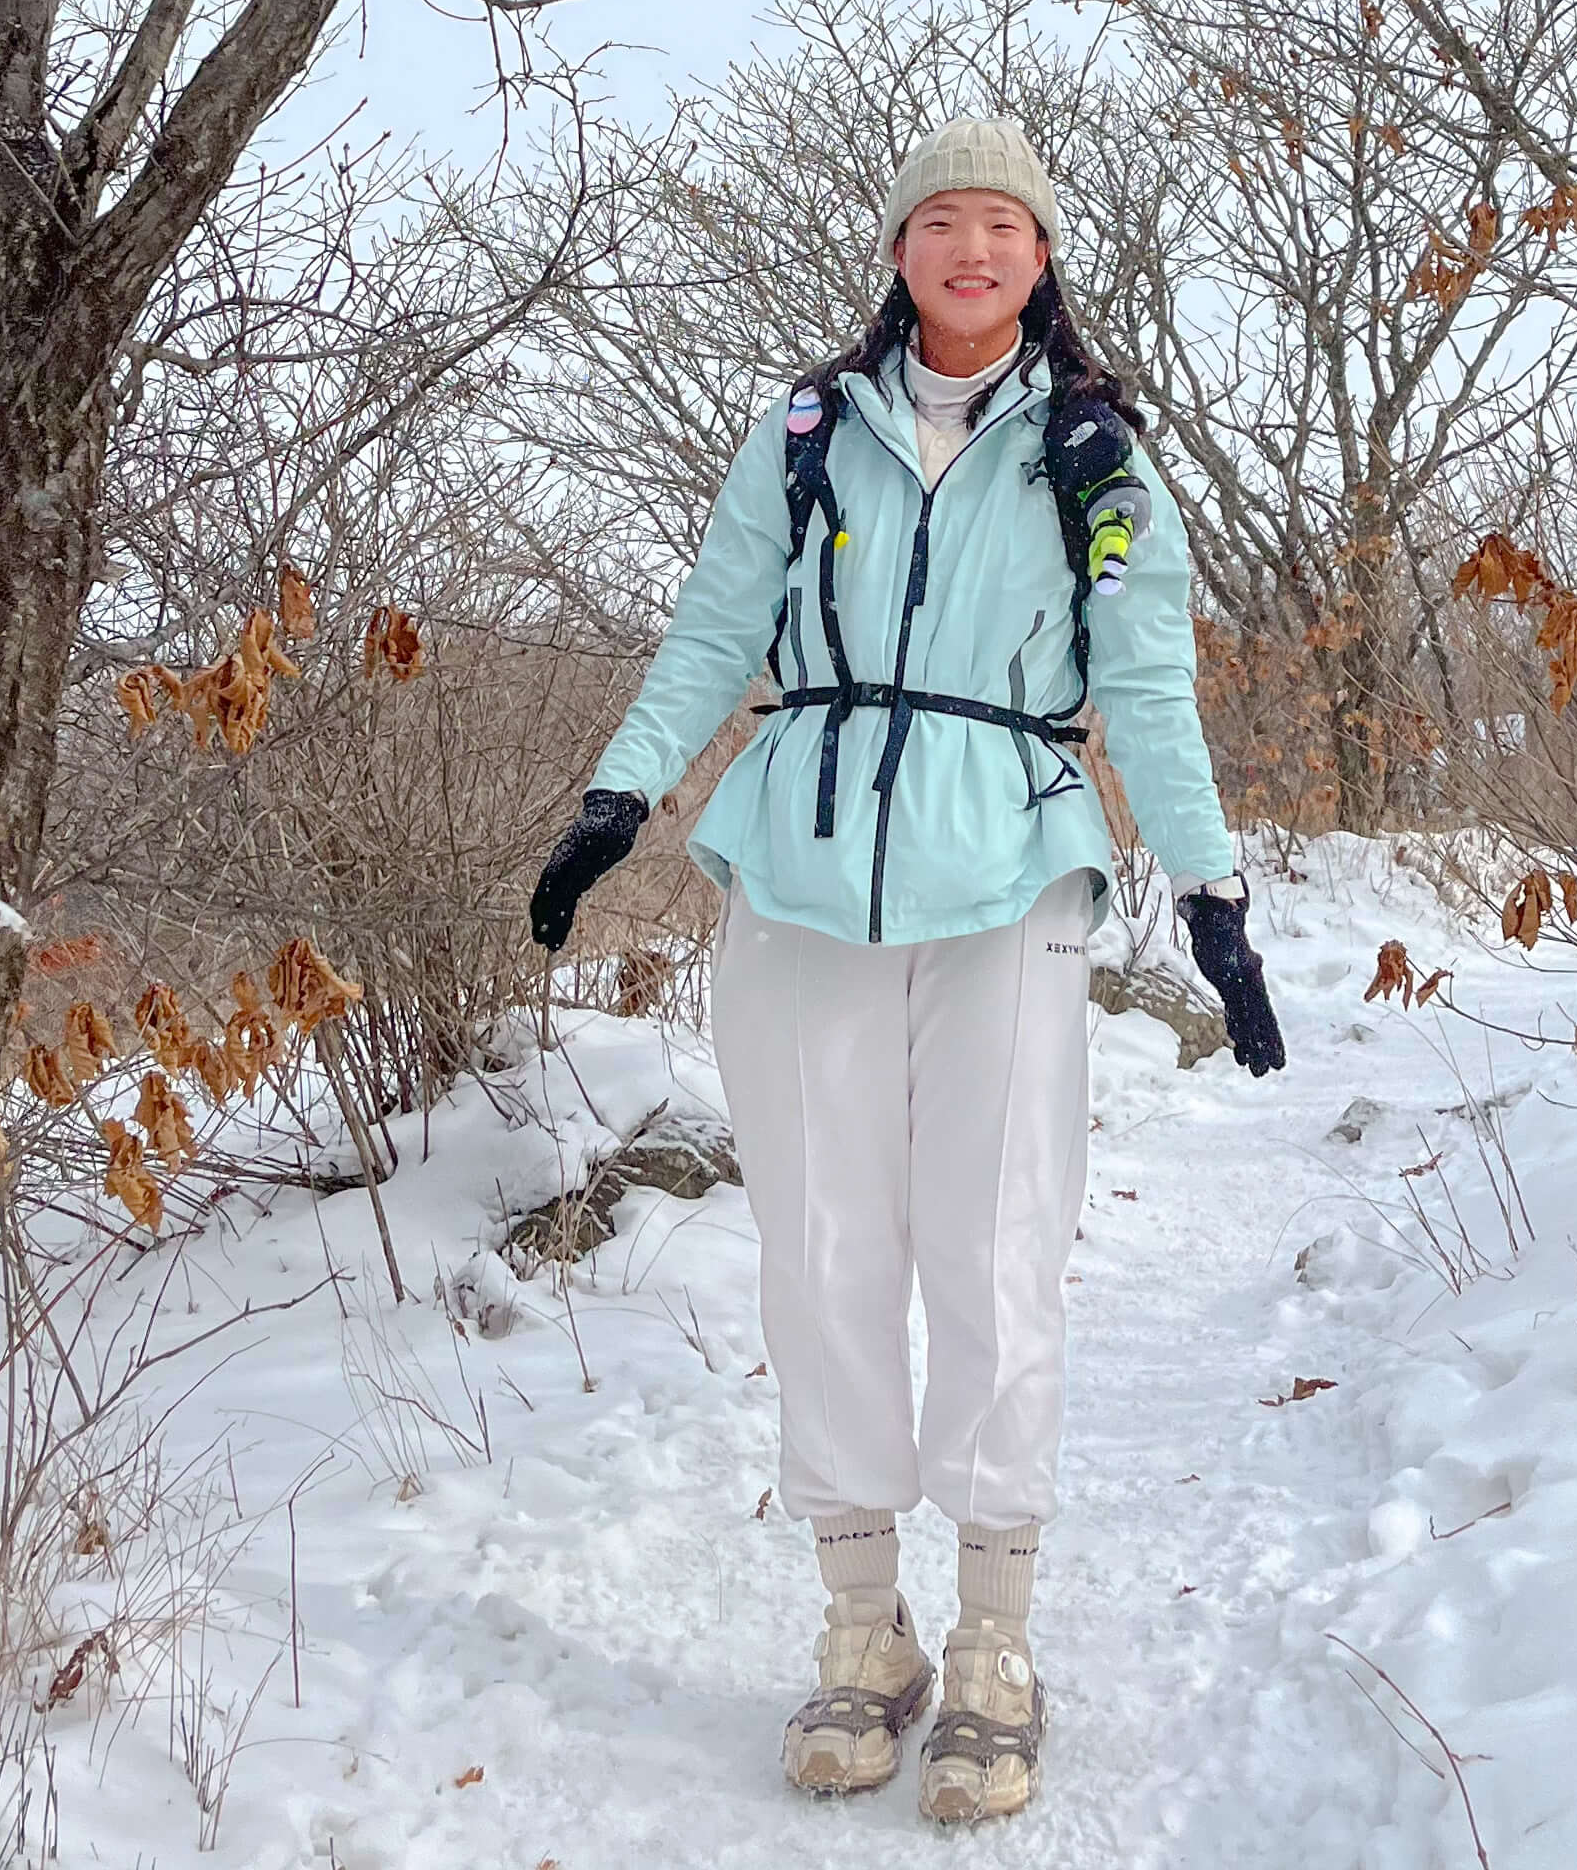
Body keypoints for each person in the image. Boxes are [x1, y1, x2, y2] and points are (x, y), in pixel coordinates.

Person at [527, 115, 1286, 1826]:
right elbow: (718, 628)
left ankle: (996, 1645)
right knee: (822, 1252)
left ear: (1039, 258)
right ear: (898, 251)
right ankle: (862, 1631)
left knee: (996, 1242)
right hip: (798, 876)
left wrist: (1219, 902)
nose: (970, 250)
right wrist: (621, 791)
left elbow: (1147, 686)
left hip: (1011, 872)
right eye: (940, 221)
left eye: (1001, 225)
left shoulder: (1095, 456)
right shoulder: (806, 433)